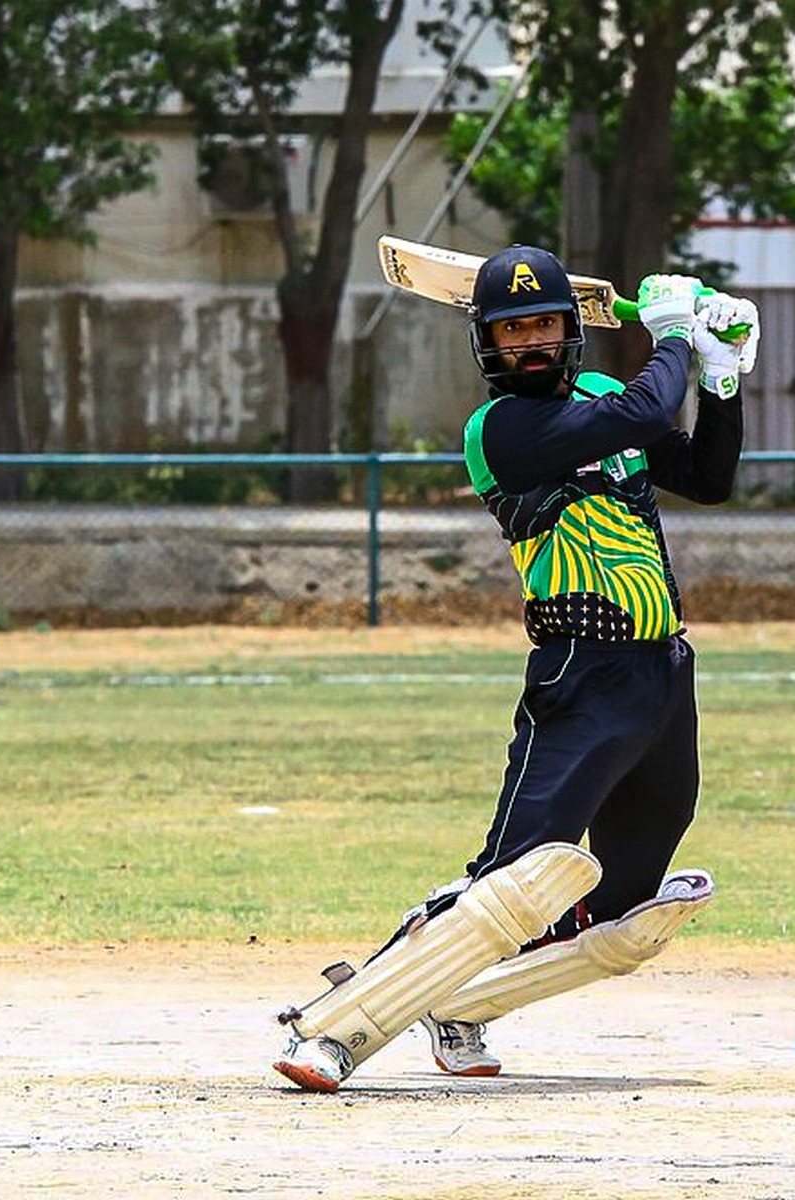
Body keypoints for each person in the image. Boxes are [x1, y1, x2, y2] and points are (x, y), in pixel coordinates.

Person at [273, 246, 758, 1092]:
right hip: (580, 675)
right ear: (487, 345)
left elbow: (707, 478)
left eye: (542, 325)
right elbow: (645, 408)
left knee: (623, 900)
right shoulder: (500, 431)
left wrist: (719, 375)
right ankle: (333, 1028)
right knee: (511, 879)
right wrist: (675, 334)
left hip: (662, 678)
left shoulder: (604, 397)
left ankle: (462, 1006)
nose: (529, 343)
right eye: (510, 331)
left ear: (570, 328)